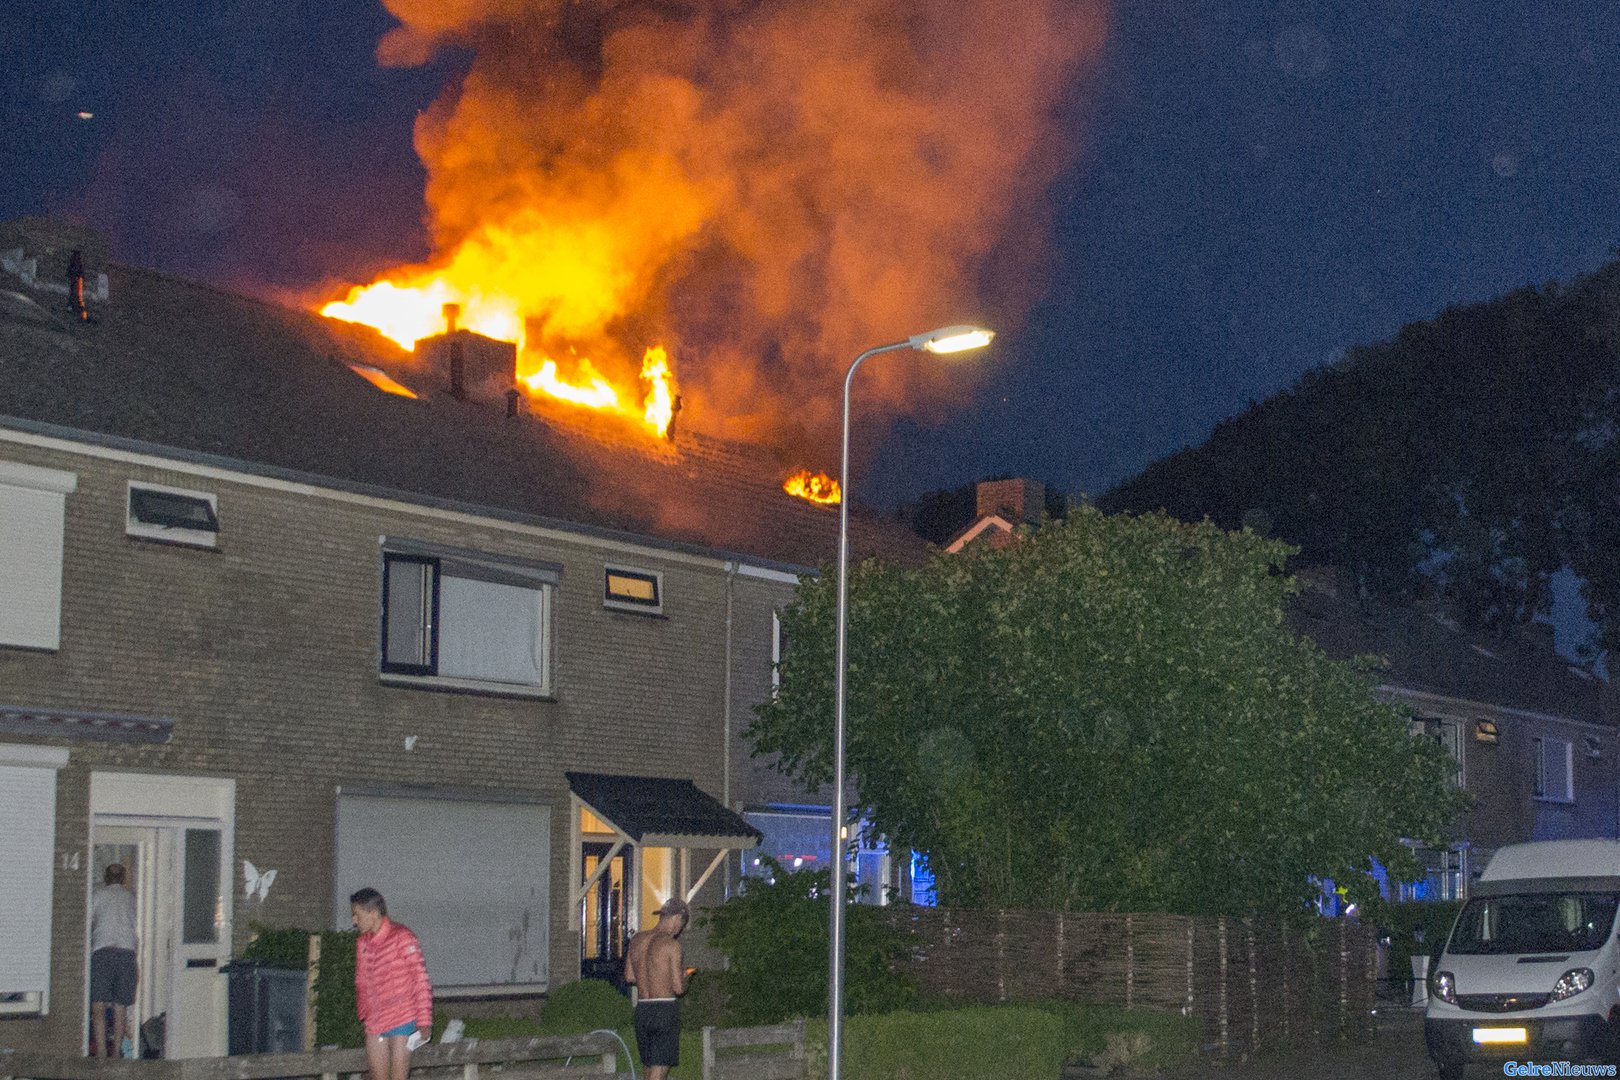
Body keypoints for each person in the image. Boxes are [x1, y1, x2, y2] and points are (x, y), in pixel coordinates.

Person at [351, 888, 433, 1080]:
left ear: (372, 913)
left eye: (357, 914)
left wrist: (424, 1020)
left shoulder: (402, 937)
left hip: (402, 1017)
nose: (354, 920)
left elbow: (420, 980)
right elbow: (361, 982)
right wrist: (364, 1011)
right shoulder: (363, 943)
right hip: (376, 1021)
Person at [623, 898, 689, 1080]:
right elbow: (678, 988)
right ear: (677, 918)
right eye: (681, 925)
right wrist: (685, 977)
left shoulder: (636, 940)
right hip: (664, 1009)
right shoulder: (671, 945)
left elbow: (629, 976)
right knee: (660, 1069)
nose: (680, 930)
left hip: (642, 1010)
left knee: (649, 1066)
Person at [89, 863, 139, 1058]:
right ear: (123, 878)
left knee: (98, 1004)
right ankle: (116, 1053)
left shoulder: (98, 896)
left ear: (105, 878)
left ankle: (101, 1052)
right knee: (120, 1007)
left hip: (103, 951)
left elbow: (89, 919)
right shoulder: (130, 898)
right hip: (126, 953)